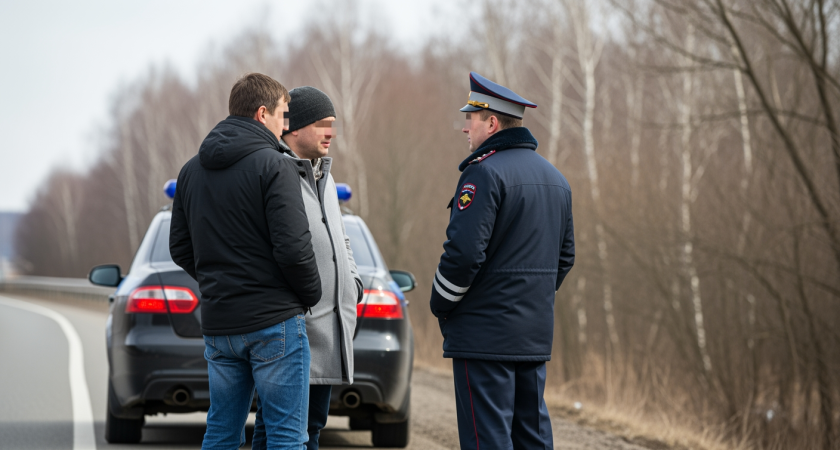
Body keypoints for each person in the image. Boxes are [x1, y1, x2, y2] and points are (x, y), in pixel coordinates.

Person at [169, 73, 322, 449]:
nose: (285, 124)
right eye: (283, 114)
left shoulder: (190, 171)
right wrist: (309, 295)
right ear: (262, 113)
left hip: (221, 324)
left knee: (221, 432)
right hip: (275, 322)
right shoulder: (276, 166)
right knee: (287, 436)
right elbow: (293, 249)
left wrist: (219, 282)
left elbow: (179, 246)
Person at [429, 72, 575, 450]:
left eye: (471, 119)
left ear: (492, 123)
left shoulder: (483, 173)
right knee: (532, 438)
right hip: (532, 334)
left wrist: (441, 306)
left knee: (487, 440)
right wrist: (529, 298)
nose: (465, 128)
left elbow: (463, 255)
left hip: (483, 337)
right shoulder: (557, 179)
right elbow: (565, 257)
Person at [252, 86, 364, 450]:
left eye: (333, 124)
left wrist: (353, 282)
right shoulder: (275, 173)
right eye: (322, 124)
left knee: (309, 426)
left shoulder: (325, 176)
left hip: (328, 328)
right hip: (293, 329)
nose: (331, 132)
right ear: (293, 128)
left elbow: (339, 238)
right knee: (284, 431)